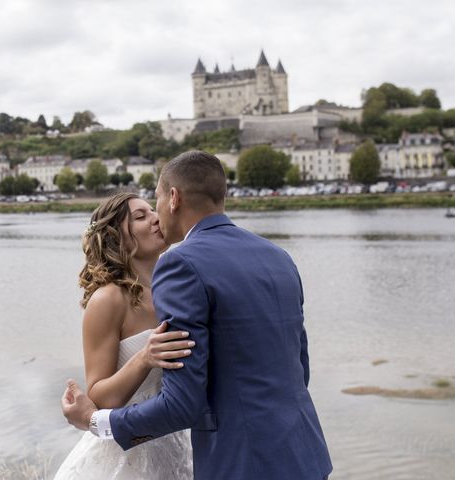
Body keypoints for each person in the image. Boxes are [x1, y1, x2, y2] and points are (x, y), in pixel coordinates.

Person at [62, 151, 333, 479]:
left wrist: (95, 423)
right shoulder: (279, 258)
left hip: (241, 461)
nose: (156, 216)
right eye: (140, 214)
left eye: (156, 201)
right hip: (305, 453)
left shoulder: (182, 267)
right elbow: (299, 369)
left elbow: (182, 406)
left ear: (173, 198)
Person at [53, 192, 194, 479]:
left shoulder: (174, 290)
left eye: (153, 210)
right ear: (117, 237)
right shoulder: (108, 299)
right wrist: (144, 358)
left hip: (172, 442)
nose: (156, 218)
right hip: (122, 456)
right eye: (141, 216)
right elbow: (99, 396)